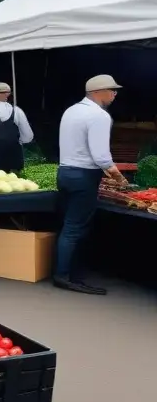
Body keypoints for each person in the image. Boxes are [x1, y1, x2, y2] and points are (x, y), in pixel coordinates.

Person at [54, 75, 126, 296]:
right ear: (98, 92)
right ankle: (66, 276)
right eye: (112, 90)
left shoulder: (71, 110)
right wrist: (119, 178)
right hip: (83, 176)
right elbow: (101, 156)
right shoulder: (99, 116)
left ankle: (66, 271)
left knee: (68, 226)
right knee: (75, 228)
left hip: (64, 172)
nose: (115, 94)